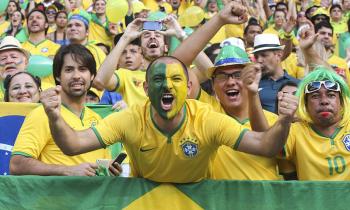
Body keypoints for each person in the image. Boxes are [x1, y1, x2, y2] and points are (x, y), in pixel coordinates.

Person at [10, 44, 116, 176]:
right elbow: (17, 164)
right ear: (58, 76)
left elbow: (101, 164)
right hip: (55, 196)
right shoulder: (43, 114)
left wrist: (110, 167)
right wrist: (67, 170)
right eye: (69, 70)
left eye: (82, 69)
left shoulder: (97, 119)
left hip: (93, 195)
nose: (76, 75)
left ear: (92, 76)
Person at [253, 33, 299, 113]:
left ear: (279, 55)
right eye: (256, 57)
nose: (259, 60)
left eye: (264, 55)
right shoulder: (253, 86)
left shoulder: (300, 84)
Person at [0, 36, 30, 101]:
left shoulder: (44, 88)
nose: (8, 61)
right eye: (3, 58)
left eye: (14, 57)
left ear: (26, 62)